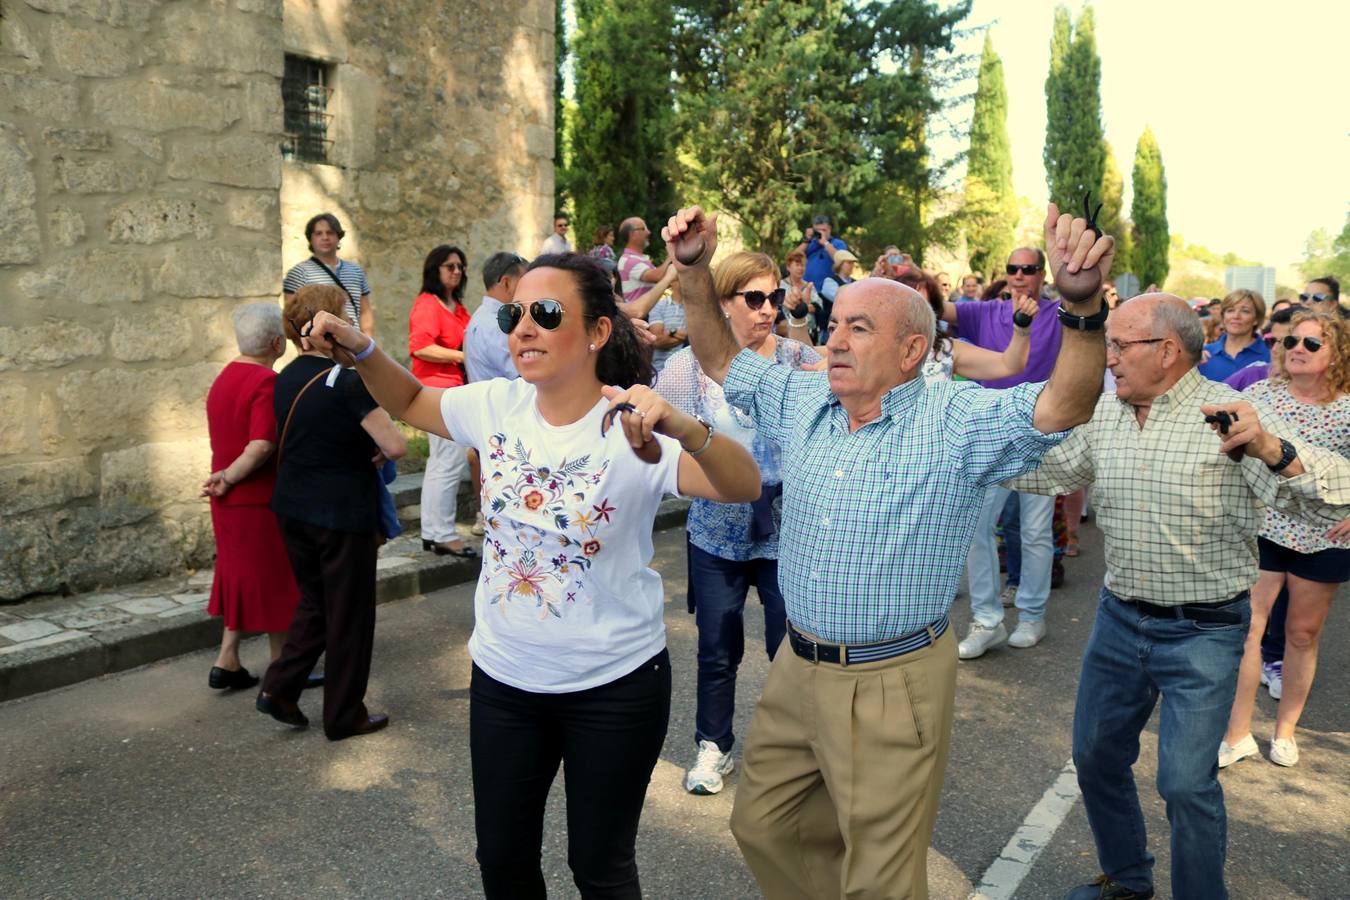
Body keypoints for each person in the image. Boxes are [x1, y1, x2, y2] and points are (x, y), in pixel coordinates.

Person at [668, 201, 1112, 899]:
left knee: (881, 878)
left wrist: (1081, 307)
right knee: (762, 825)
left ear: (911, 351)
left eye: (860, 328)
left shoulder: (955, 417)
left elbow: (1064, 404)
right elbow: (721, 357)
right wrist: (694, 274)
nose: (835, 340)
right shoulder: (804, 398)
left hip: (892, 677)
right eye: (835, 323)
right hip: (796, 666)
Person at [299, 251, 759, 899]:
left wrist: (684, 425)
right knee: (505, 862)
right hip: (506, 683)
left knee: (599, 869)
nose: (523, 329)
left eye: (546, 314)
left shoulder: (630, 422)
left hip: (615, 689)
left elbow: (743, 484)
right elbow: (408, 398)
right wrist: (359, 345)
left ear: (598, 332)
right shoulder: (496, 405)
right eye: (517, 314)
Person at [1007, 295, 1350, 900]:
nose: (1106, 359)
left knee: (1187, 785)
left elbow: (1329, 493)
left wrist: (1272, 450)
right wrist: (951, 453)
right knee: (1095, 757)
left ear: (1166, 351)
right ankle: (1128, 881)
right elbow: (1051, 470)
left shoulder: (1231, 414)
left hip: (1206, 632)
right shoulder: (1107, 413)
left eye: (1118, 345)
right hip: (1118, 620)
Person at [653, 251, 820, 796]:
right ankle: (713, 746)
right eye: (753, 299)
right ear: (722, 303)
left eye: (773, 298)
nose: (766, 309)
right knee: (717, 648)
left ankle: (792, 754)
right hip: (715, 532)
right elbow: (656, 437)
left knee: (789, 648)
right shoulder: (686, 368)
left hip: (786, 532)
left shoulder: (798, 360)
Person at [256, 284, 407, 740]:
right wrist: (377, 450)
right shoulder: (346, 381)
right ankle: (343, 715)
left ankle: (279, 688)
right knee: (350, 616)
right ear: (330, 328)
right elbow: (396, 444)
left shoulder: (284, 376)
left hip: (293, 506)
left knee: (316, 603)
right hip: (341, 512)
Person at [1219, 311, 1350, 769]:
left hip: (1326, 533)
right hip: (1265, 527)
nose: (1297, 348)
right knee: (1250, 628)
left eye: (1312, 344)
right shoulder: (1259, 395)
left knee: (1302, 634)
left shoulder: (1348, 407)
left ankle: (1285, 732)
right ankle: (1236, 734)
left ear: (1337, 353)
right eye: (1292, 340)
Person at [940, 247, 1063, 656]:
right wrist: (906, 272)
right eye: (1013, 269)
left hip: (1043, 431)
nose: (1019, 275)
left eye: (1028, 269)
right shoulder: (983, 312)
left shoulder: (1060, 314)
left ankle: (1032, 615)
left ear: (1041, 274)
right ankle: (987, 620)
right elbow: (933, 306)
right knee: (976, 529)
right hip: (990, 434)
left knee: (1033, 531)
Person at [201, 303, 301, 690]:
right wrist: (229, 476)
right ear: (277, 343)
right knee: (275, 579)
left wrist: (224, 479)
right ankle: (281, 666)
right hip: (254, 495)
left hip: (227, 499)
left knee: (239, 576)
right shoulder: (265, 382)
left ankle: (227, 659)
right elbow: (261, 445)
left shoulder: (224, 377)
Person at [409, 245, 476, 558]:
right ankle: (442, 534)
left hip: (453, 389)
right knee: (447, 463)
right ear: (434, 269)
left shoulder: (456, 305)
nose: (456, 271)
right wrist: (464, 355)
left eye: (460, 266)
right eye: (449, 266)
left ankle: (433, 532)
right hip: (436, 390)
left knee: (442, 463)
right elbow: (421, 347)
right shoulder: (427, 304)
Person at [899, 269, 1040, 384]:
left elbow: (1009, 365)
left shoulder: (945, 350)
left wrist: (1022, 327)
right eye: (907, 304)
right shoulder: (878, 344)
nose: (914, 313)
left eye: (923, 305)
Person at [283, 213, 374, 336]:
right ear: (311, 238)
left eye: (330, 232)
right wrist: (302, 347)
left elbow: (365, 311)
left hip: (354, 341)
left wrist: (368, 342)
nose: (325, 237)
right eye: (319, 233)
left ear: (338, 237)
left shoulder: (356, 271)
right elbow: (291, 315)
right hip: (319, 343)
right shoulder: (298, 273)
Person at [465, 252, 526, 384]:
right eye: (524, 282)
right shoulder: (496, 324)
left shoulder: (484, 318)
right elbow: (524, 374)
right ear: (506, 283)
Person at [1197, 288, 1268, 381]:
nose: (1236, 316)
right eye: (1230, 310)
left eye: (1245, 311)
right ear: (1223, 316)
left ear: (1256, 319)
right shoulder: (1203, 354)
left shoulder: (1270, 354)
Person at [617, 216, 671, 303]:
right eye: (644, 229)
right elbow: (657, 277)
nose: (648, 232)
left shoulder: (641, 259)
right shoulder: (627, 260)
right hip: (642, 316)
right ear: (632, 234)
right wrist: (670, 256)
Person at [793, 214, 847, 291]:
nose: (821, 233)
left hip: (827, 292)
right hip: (807, 289)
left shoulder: (838, 244)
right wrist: (807, 240)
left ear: (829, 229)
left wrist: (825, 242)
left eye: (824, 230)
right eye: (817, 230)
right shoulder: (809, 244)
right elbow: (793, 257)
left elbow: (841, 260)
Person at [646, 279, 688, 372]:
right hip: (660, 369)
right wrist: (685, 336)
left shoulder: (696, 308)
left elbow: (698, 337)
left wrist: (669, 333)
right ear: (672, 281)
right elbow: (657, 340)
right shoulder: (659, 305)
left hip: (688, 370)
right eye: (679, 277)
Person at [778, 248, 819, 342]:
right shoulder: (780, 286)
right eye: (797, 265)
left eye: (803, 265)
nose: (800, 268)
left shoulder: (809, 286)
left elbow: (818, 306)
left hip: (809, 332)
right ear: (788, 267)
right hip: (786, 334)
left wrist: (801, 308)